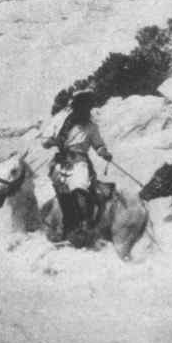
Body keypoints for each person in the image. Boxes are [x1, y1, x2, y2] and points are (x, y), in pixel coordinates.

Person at [43, 88, 113, 236]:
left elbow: (98, 145)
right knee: (61, 192)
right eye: (82, 105)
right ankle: (67, 224)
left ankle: (85, 225)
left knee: (79, 189)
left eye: (87, 106)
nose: (84, 109)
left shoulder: (91, 127)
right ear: (76, 106)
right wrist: (50, 141)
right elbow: (46, 141)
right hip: (61, 161)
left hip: (79, 161)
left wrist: (103, 152)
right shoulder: (62, 122)